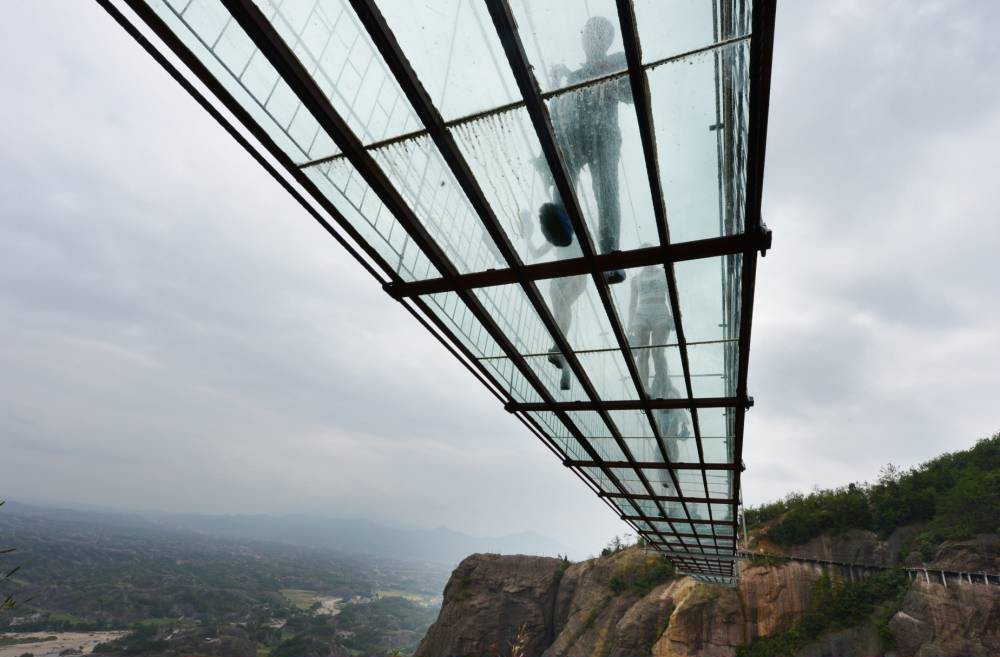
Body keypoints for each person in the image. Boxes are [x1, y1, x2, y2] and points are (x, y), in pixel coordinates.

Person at [538, 16, 633, 285]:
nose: (589, 40)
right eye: (587, 35)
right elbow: (558, 114)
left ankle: (611, 255)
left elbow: (630, 93)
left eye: (596, 35)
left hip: (604, 134)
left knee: (606, 190)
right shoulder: (574, 74)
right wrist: (559, 84)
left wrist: (604, 78)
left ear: (606, 39)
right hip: (575, 134)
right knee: (564, 174)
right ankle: (562, 222)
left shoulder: (618, 60)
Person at [627, 257, 675, 394]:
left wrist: (674, 316)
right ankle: (645, 387)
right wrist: (630, 326)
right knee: (642, 352)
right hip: (641, 313)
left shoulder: (664, 274)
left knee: (657, 352)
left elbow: (671, 296)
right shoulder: (635, 279)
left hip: (660, 311)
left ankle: (663, 384)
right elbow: (632, 304)